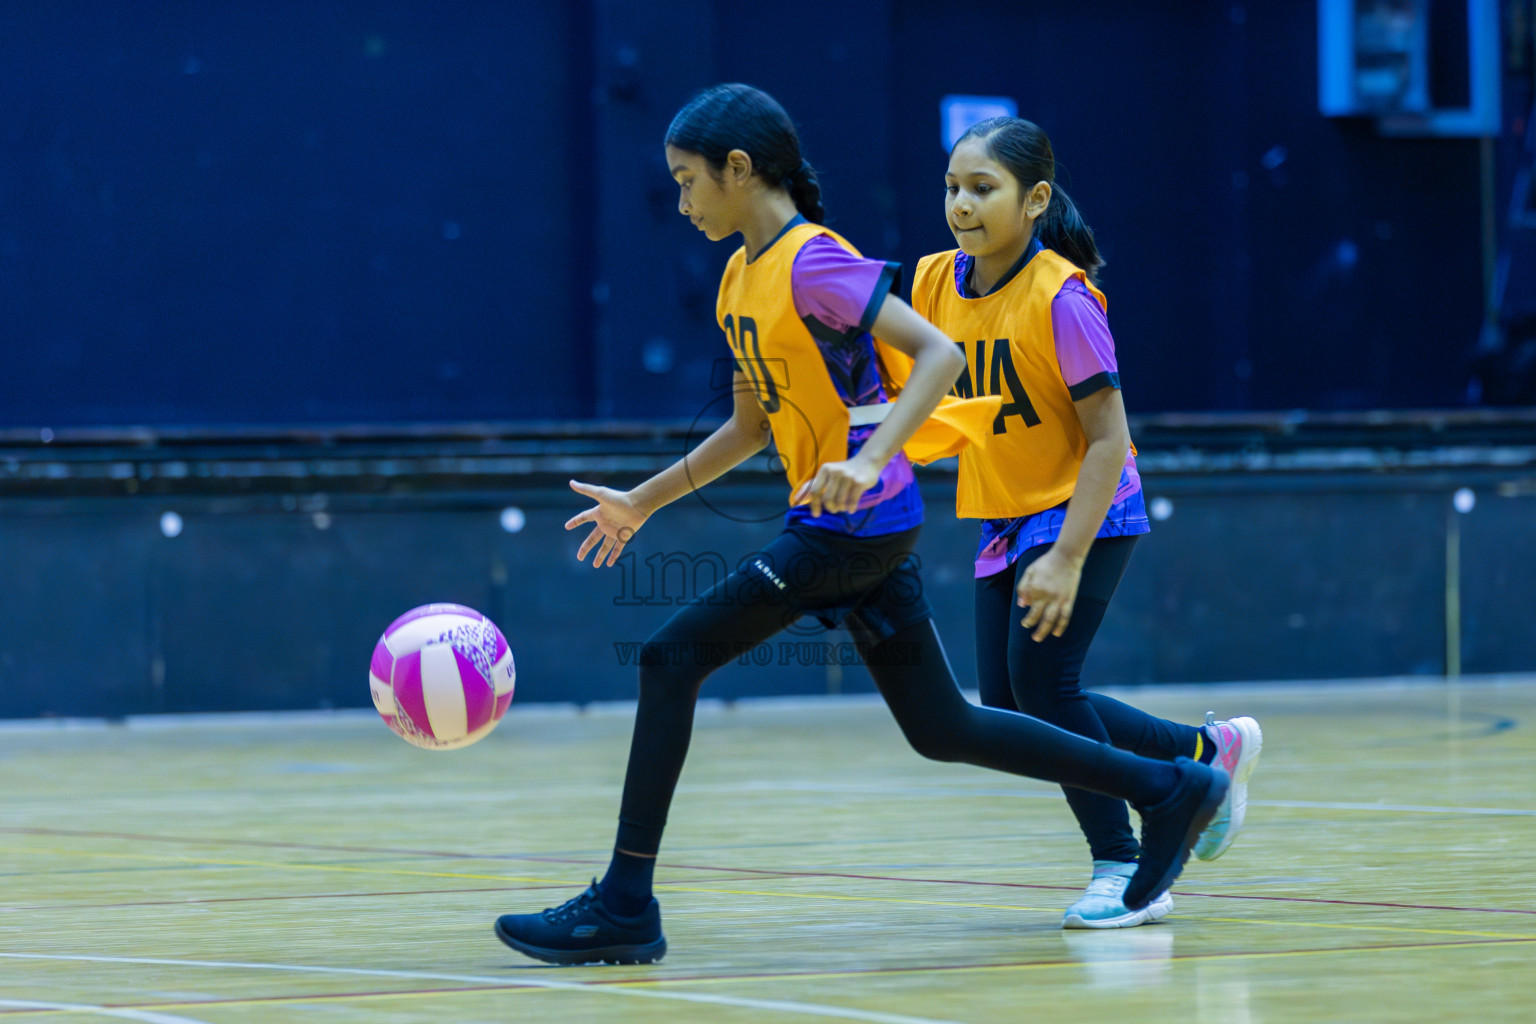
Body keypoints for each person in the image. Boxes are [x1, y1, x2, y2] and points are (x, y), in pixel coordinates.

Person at [492, 85, 1227, 966]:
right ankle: (1172, 785)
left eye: (688, 181)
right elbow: (748, 429)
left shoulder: (815, 262)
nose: (680, 201)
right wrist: (643, 501)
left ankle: (623, 905)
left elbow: (941, 355)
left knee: (668, 658)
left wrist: (873, 457)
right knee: (946, 727)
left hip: (853, 527)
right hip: (856, 525)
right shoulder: (738, 277)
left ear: (739, 169)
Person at [904, 116, 1263, 930]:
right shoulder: (930, 282)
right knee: (1011, 698)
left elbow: (1108, 439)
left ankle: (1126, 863)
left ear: (1034, 199)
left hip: (1086, 506)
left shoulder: (1061, 297)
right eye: (953, 187)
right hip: (1008, 507)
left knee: (1044, 686)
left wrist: (1066, 556)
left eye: (982, 188)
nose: (961, 204)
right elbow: (933, 404)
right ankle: (1202, 753)